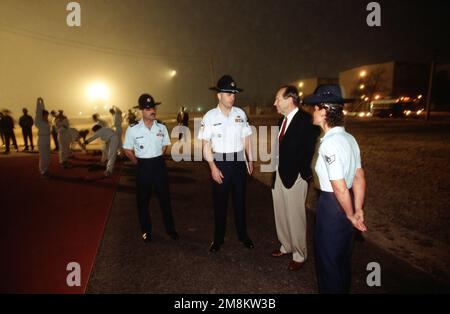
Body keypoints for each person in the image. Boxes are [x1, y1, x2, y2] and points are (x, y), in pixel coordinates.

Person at [303, 84, 367, 293]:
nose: (313, 111)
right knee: (341, 261)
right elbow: (358, 176)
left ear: (323, 111)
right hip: (346, 202)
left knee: (328, 262)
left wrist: (350, 215)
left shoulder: (330, 143)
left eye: (315, 108)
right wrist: (357, 209)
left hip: (333, 206)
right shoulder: (349, 138)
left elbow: (338, 187)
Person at [198, 75, 254, 252]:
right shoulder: (209, 116)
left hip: (238, 161)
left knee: (240, 202)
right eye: (229, 93)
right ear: (219, 95)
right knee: (220, 203)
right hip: (220, 161)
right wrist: (213, 167)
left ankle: (243, 235)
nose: (232, 97)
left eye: (234, 93)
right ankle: (218, 239)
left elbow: (246, 137)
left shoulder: (240, 114)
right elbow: (205, 144)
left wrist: (249, 158)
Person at [270, 85, 319, 271]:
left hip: (295, 177)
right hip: (279, 176)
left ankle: (299, 254)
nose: (275, 103)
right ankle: (286, 245)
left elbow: (310, 150)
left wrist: (303, 173)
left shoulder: (307, 121)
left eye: (277, 99)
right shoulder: (280, 121)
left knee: (296, 217)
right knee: (280, 213)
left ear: (290, 100)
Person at [123, 94, 178, 242]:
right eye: (148, 108)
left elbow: (165, 144)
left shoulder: (161, 126)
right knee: (143, 201)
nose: (152, 110)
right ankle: (146, 230)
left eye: (153, 107)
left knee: (165, 200)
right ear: (141, 110)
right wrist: (138, 162)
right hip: (143, 167)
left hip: (159, 166)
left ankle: (170, 229)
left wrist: (158, 156)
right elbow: (127, 150)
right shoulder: (133, 129)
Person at [35, 98, 51, 177]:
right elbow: (38, 111)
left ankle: (46, 168)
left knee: (48, 155)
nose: (47, 116)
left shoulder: (46, 121)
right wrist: (39, 102)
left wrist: (43, 102)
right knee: (43, 155)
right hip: (42, 139)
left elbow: (43, 110)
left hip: (47, 138)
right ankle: (43, 170)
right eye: (45, 115)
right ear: (42, 115)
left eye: (47, 115)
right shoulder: (39, 121)